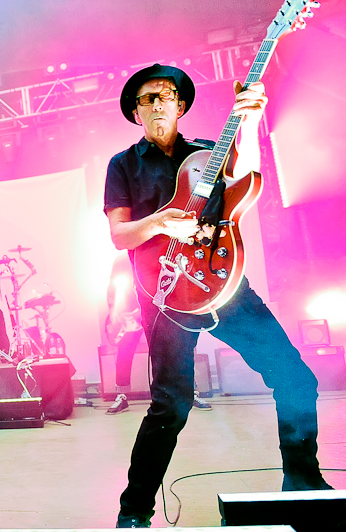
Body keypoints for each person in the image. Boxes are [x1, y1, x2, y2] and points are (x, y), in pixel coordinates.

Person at [104, 64, 331, 528]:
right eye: (148, 98)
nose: (158, 102)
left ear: (182, 105)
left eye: (167, 95)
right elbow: (120, 235)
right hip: (165, 293)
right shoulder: (122, 165)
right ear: (135, 111)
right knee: (171, 404)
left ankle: (303, 486)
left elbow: (246, 179)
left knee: (296, 380)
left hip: (225, 284)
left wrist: (247, 121)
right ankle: (133, 512)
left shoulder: (209, 151)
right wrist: (161, 222)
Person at [104, 254, 211, 415]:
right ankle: (121, 395)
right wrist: (112, 308)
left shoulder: (158, 251)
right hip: (132, 312)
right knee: (125, 351)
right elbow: (113, 286)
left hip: (159, 308)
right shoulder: (121, 260)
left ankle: (190, 392)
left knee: (180, 348)